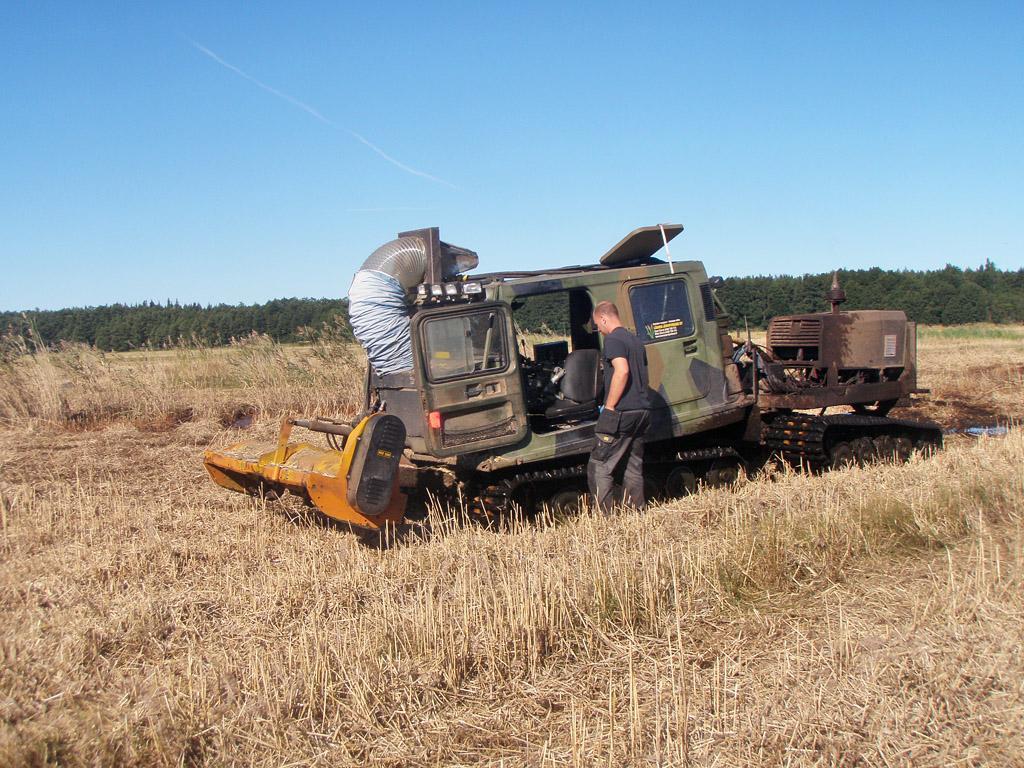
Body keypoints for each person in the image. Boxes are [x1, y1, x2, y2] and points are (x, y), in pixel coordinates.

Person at [587, 301, 651, 513]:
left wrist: (610, 406)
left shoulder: (613, 339)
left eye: (598, 325)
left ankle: (605, 519)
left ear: (604, 319)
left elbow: (622, 371)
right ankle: (636, 512)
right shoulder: (635, 340)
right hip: (642, 411)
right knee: (632, 465)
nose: (599, 330)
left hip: (621, 412)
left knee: (600, 465)